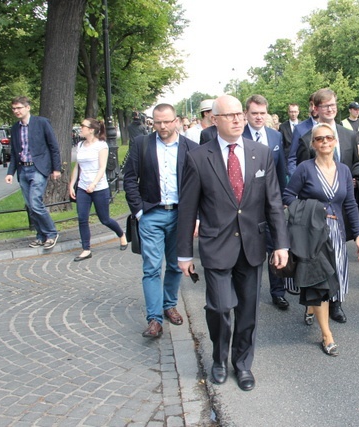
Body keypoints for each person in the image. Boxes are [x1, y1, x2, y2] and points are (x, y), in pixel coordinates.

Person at [176, 95, 289, 392]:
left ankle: (242, 364)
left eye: (240, 114)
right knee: (220, 308)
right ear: (215, 120)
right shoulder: (199, 157)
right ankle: (218, 357)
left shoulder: (261, 153)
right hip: (216, 246)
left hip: (252, 245)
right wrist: (184, 254)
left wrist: (281, 244)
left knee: (248, 311)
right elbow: (187, 209)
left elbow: (274, 202)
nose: (238, 120)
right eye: (230, 115)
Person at [283, 123, 359, 356]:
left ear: (335, 141)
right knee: (321, 281)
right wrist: (314, 209)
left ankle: (311, 306)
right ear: (313, 144)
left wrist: (357, 234)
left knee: (332, 278)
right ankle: (327, 334)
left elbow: (349, 203)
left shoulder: (344, 170)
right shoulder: (305, 169)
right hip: (313, 233)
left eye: (329, 138)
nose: (325, 142)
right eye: (319, 139)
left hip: (336, 234)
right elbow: (288, 195)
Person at [123, 103, 197, 339]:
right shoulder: (141, 144)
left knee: (175, 265)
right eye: (158, 122)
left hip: (181, 216)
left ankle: (169, 305)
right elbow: (129, 180)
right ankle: (154, 319)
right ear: (152, 122)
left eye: (167, 121)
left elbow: (199, 185)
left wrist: (195, 216)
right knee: (151, 268)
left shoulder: (191, 148)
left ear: (176, 121)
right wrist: (139, 211)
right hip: (151, 214)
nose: (162, 126)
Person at [295, 88, 359, 323]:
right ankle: (313, 303)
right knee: (317, 263)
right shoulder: (305, 137)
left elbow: (353, 171)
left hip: (340, 205)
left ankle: (336, 304)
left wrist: (358, 231)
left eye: (334, 104)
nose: (331, 109)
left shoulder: (349, 135)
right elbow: (297, 181)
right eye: (325, 106)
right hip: (315, 213)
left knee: (339, 260)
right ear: (317, 108)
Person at [242, 94, 289, 310]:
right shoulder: (238, 136)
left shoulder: (275, 137)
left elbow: (280, 172)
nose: (259, 117)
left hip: (270, 203)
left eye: (262, 113)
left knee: (275, 247)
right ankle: (246, 293)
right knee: (247, 249)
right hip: (244, 206)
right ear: (246, 114)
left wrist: (281, 200)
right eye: (254, 113)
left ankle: (277, 292)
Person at [5, 96, 61, 250]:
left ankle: (51, 233)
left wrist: (56, 169)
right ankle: (41, 236)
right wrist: (10, 172)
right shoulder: (15, 128)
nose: (16, 111)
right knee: (30, 206)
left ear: (27, 107)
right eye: (14, 108)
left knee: (36, 202)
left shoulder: (41, 123)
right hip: (23, 169)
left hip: (38, 168)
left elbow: (53, 146)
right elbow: (15, 153)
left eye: (19, 108)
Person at [69, 118, 127, 262]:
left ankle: (121, 234)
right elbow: (77, 166)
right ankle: (86, 249)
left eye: (83, 126)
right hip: (83, 187)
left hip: (99, 188)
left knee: (105, 219)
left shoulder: (101, 146)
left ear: (91, 130)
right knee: (82, 218)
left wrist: (94, 184)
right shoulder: (80, 145)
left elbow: (102, 168)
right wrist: (71, 184)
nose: (80, 128)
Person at [287, 93, 319, 176]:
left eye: (316, 105)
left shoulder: (331, 127)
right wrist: (295, 178)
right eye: (311, 105)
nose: (313, 108)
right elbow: (292, 158)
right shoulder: (299, 128)